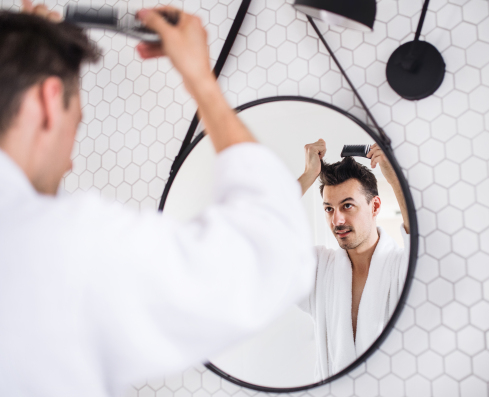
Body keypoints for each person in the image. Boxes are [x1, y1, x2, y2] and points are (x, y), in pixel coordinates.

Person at [0, 3, 315, 396]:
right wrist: (201, 80)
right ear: (48, 100)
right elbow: (272, 253)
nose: (69, 163)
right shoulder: (64, 246)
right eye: (74, 124)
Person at [297, 139, 410, 379]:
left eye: (347, 205)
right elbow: (259, 239)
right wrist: (308, 175)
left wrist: (395, 179)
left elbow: (427, 245)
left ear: (375, 206)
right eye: (329, 209)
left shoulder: (401, 267)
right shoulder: (319, 269)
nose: (337, 220)